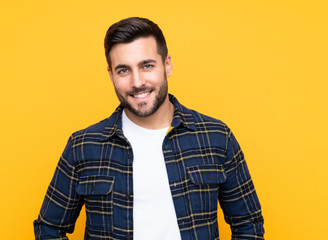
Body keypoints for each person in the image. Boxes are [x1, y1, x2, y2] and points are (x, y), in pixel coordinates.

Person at [34, 17, 264, 240]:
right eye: (123, 70)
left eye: (147, 66)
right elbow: (49, 228)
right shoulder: (83, 146)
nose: (137, 82)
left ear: (167, 65)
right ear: (111, 75)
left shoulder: (216, 137)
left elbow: (249, 225)